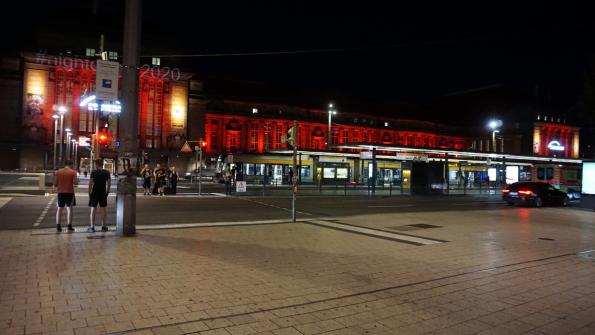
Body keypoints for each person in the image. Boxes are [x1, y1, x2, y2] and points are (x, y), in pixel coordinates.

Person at [87, 159, 111, 233]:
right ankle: (103, 226)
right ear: (102, 164)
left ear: (97, 164)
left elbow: (90, 183)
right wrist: (107, 192)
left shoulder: (94, 172)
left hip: (94, 192)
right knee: (103, 209)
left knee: (93, 209)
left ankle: (92, 227)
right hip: (103, 192)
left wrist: (89, 193)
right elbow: (109, 183)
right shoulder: (107, 172)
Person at [54, 160, 77, 233]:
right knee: (69, 209)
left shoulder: (58, 172)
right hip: (70, 192)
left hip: (60, 192)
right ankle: (69, 226)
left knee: (59, 209)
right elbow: (75, 182)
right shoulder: (73, 172)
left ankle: (58, 226)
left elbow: (55, 183)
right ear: (71, 165)